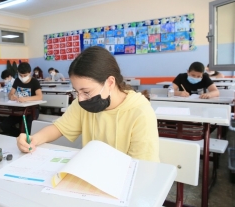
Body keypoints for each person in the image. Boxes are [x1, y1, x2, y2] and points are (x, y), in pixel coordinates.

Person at [17, 46, 159, 162]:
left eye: (86, 91)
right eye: (77, 92)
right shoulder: (82, 105)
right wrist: (32, 140)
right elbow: (59, 128)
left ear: (110, 82)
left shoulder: (140, 112)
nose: (81, 99)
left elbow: (141, 166)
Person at [0, 62, 42, 137]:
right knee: (4, 125)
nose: (22, 77)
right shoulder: (17, 80)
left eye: (25, 75)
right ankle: (19, 136)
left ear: (30, 73)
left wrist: (26, 99)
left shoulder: (34, 82)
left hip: (32, 110)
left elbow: (39, 96)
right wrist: (11, 96)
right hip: (19, 109)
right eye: (20, 75)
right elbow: (10, 93)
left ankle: (25, 137)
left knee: (27, 128)